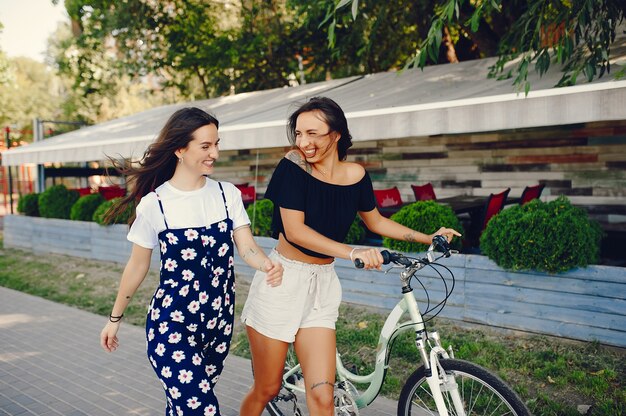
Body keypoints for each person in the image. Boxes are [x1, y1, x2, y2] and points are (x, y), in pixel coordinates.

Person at [239, 96, 461, 415]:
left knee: (323, 398)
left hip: (321, 286)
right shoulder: (293, 166)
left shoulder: (356, 174)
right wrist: (353, 251)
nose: (303, 141)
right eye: (299, 133)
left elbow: (376, 220)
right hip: (282, 282)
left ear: (336, 134)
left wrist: (429, 237)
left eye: (313, 133)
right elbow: (296, 231)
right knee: (267, 388)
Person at [99, 107, 283, 416]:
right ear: (180, 149)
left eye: (217, 144)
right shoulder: (155, 204)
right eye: (206, 146)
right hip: (171, 324)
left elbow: (246, 246)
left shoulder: (227, 195)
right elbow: (137, 266)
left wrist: (266, 264)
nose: (215, 153)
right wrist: (114, 319)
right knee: (202, 409)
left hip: (217, 324)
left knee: (183, 408)